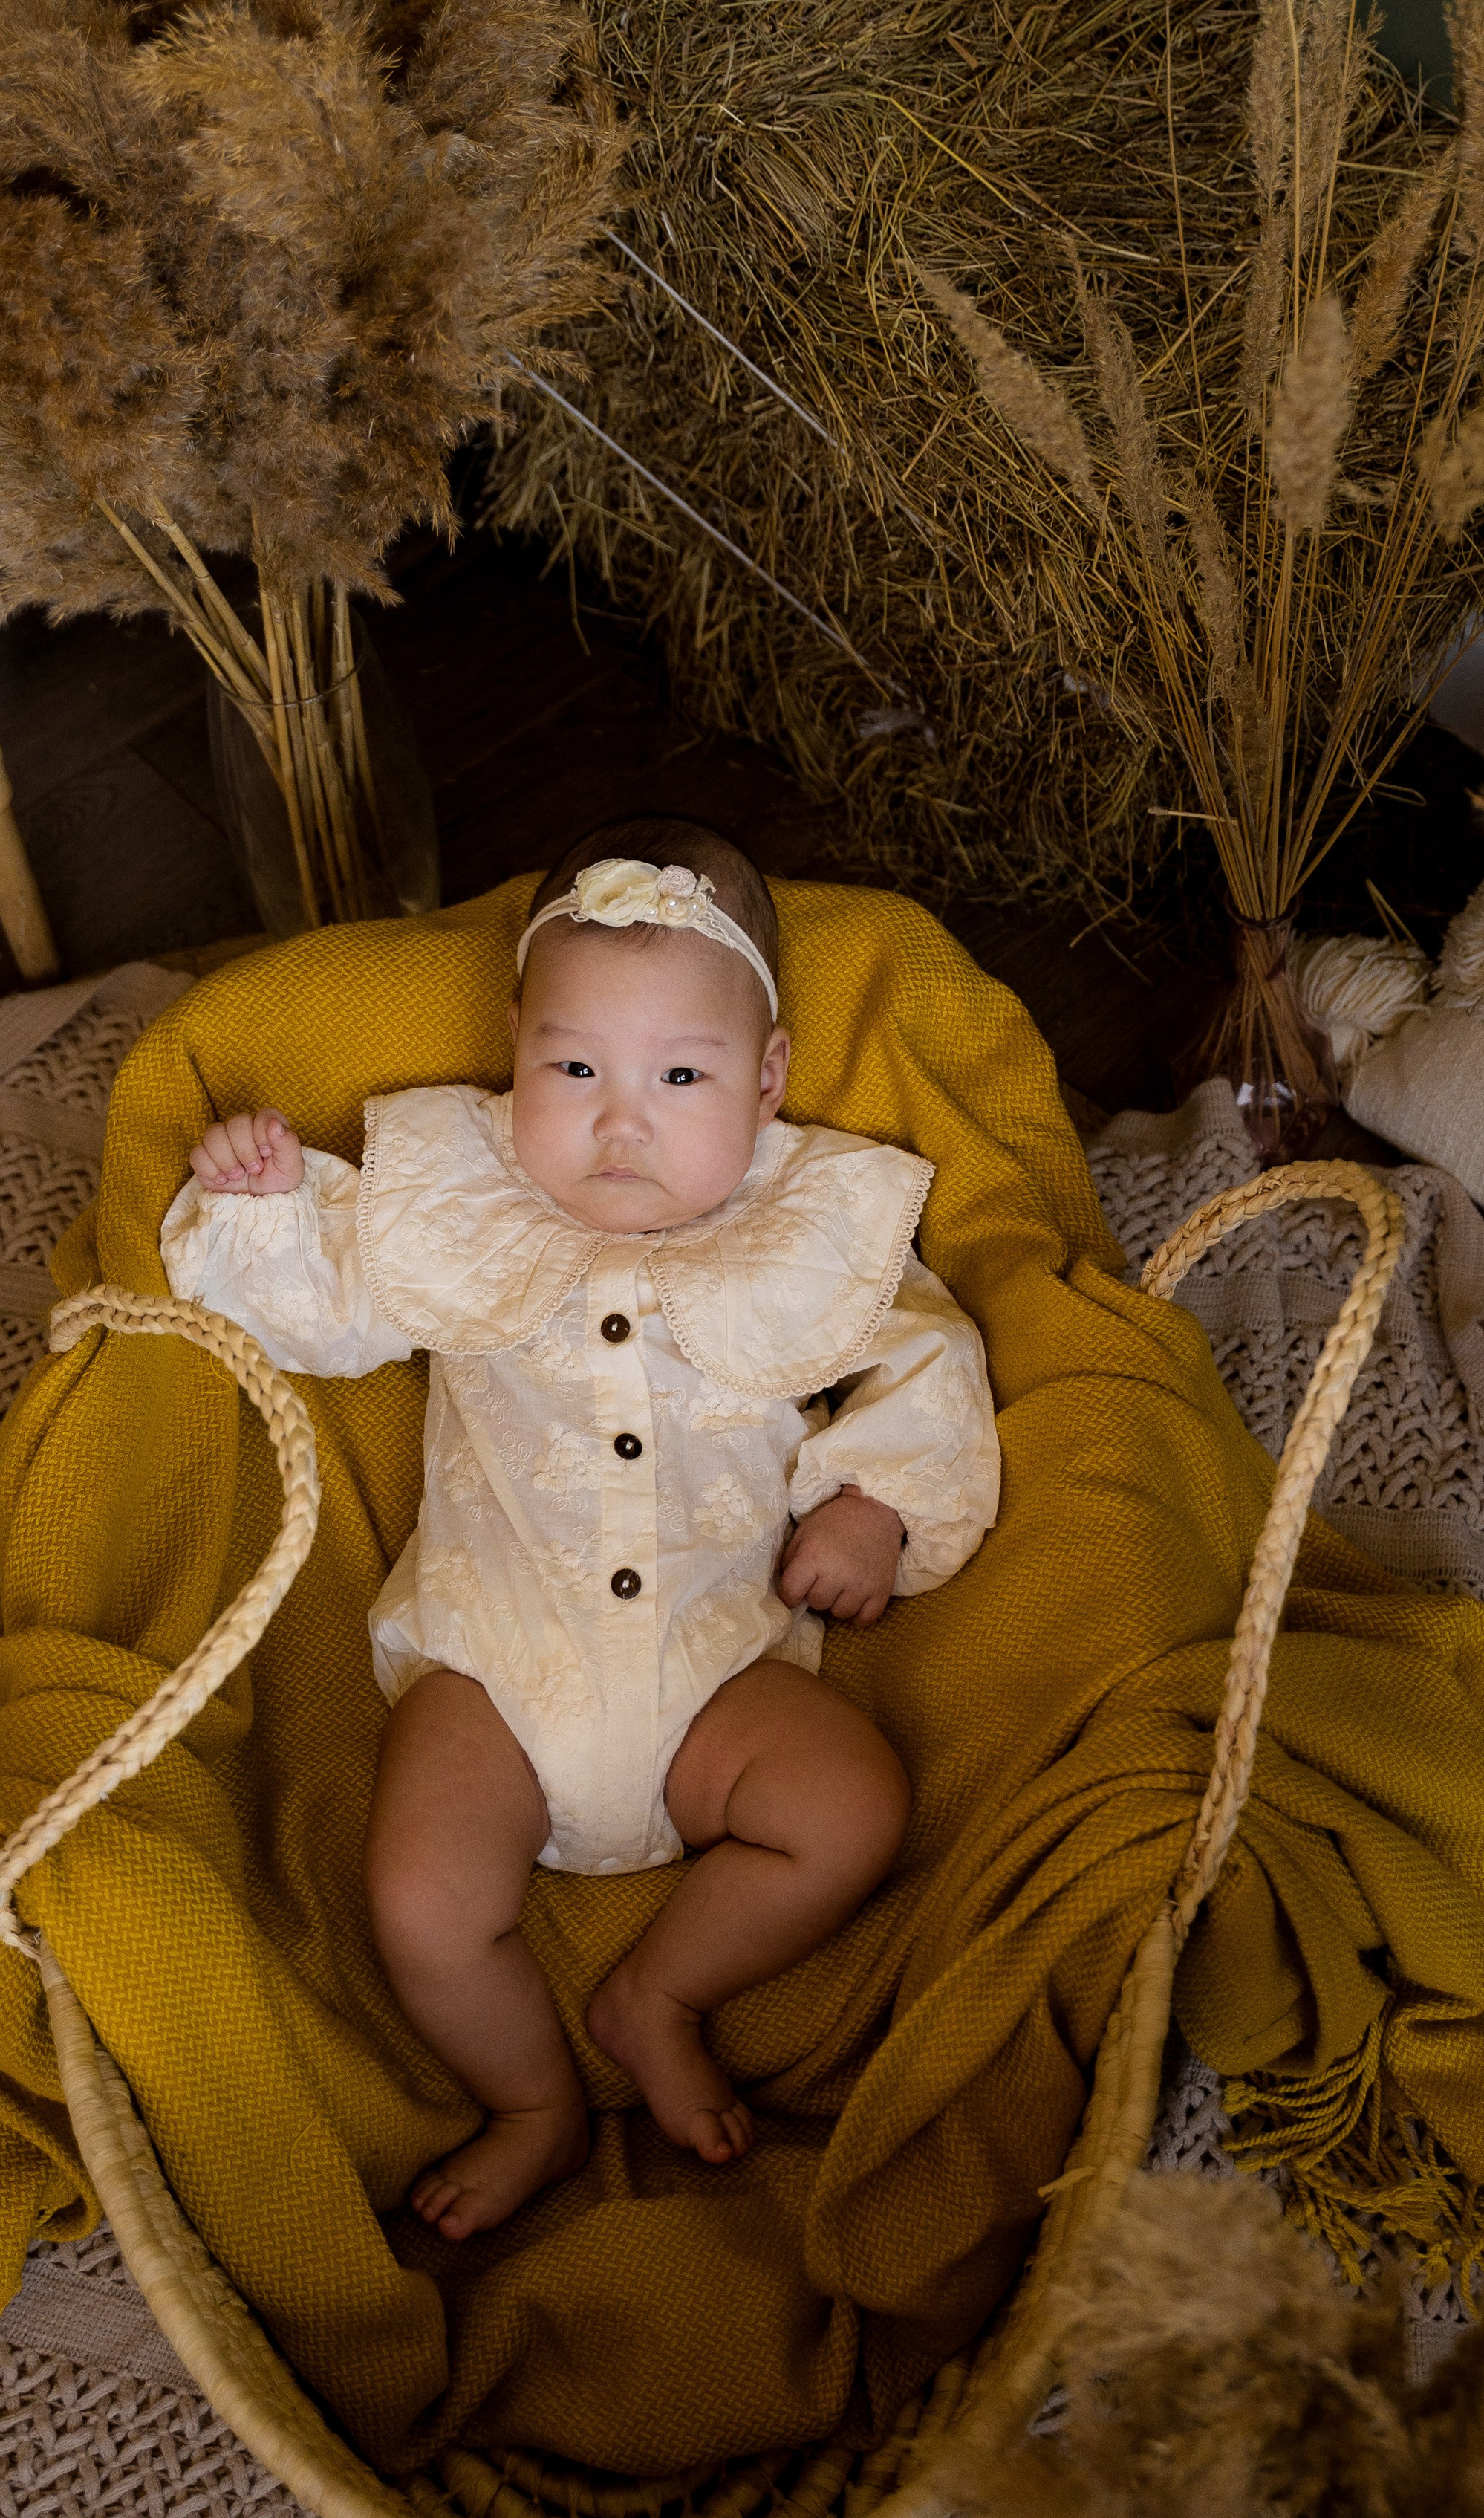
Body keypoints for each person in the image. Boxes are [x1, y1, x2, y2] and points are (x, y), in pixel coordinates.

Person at [162, 821, 1000, 2238]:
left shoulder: (813, 1221)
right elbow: (323, 1303)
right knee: (421, 1898)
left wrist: (874, 1506)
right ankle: (534, 2101)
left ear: (769, 1079)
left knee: (852, 1803)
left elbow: (929, 1354)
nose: (625, 1122)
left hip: (716, 1676)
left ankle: (658, 1991)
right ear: (513, 1049)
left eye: (684, 1077)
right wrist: (263, 1204)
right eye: (575, 1071)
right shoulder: (458, 1194)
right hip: (494, 1671)